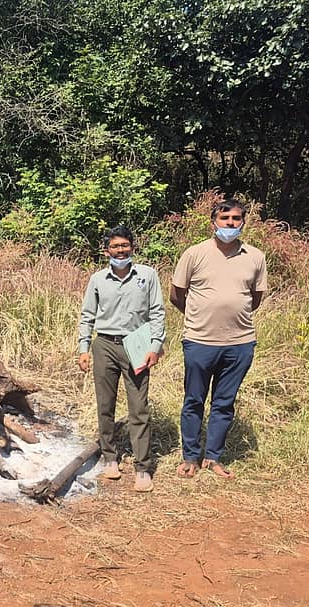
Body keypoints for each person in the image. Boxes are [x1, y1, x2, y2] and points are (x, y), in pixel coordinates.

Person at [170, 198, 267, 479]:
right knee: (194, 400)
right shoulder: (194, 254)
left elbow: (255, 298)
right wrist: (199, 315)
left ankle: (213, 458)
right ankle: (190, 457)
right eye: (225, 219)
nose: (230, 224)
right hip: (200, 341)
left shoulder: (255, 257)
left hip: (240, 343)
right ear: (214, 221)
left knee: (224, 403)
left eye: (236, 219)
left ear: (243, 222)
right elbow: (177, 294)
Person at [78, 226, 166, 492]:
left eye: (125, 245)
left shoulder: (147, 276)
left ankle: (142, 468)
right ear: (107, 250)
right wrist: (84, 348)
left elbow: (157, 313)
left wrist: (155, 345)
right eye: (115, 247)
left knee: (138, 408)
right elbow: (87, 316)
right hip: (104, 344)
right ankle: (110, 457)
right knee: (105, 405)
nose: (121, 250)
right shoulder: (98, 279)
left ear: (132, 247)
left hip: (136, 344)